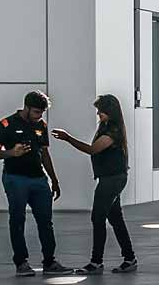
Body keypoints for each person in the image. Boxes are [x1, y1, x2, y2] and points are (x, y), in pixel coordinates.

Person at [52, 95, 135, 273]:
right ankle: (129, 258)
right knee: (115, 219)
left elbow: (92, 150)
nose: (98, 114)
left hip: (112, 180)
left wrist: (68, 138)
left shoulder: (112, 131)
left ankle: (96, 262)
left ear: (110, 111)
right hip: (111, 178)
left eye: (101, 111)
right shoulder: (107, 127)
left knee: (98, 217)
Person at [0, 90, 67, 275]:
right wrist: (11, 153)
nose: (38, 116)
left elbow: (45, 154)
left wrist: (54, 180)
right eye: (36, 112)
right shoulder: (6, 124)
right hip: (15, 178)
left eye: (41, 113)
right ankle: (21, 263)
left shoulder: (41, 125)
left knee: (45, 221)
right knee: (17, 219)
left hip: (39, 180)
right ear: (26, 107)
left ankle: (50, 262)